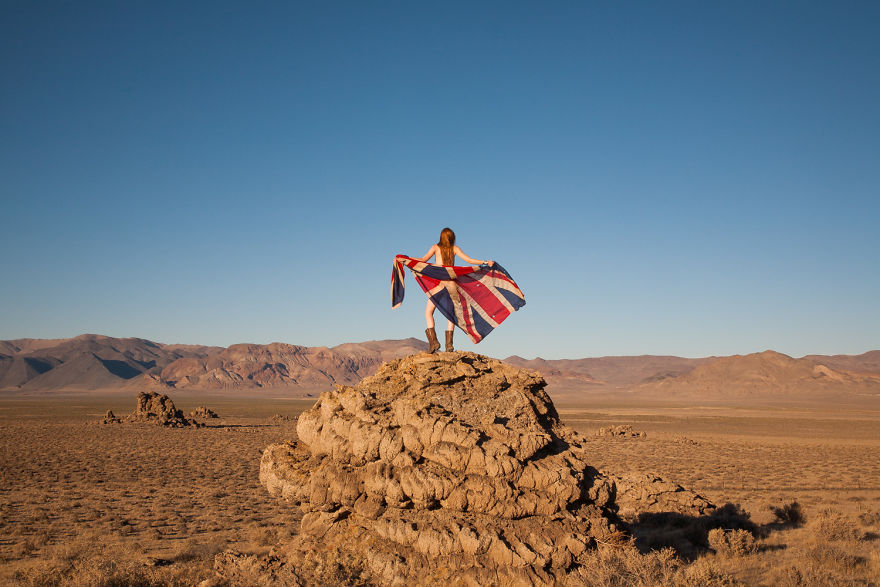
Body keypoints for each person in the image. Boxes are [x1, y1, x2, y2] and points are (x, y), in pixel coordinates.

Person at [417, 227, 494, 353]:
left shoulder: (435, 247)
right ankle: (449, 346)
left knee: (428, 312)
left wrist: (406, 259)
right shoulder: (454, 249)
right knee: (451, 314)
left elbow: (423, 260)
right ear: (452, 238)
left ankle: (434, 342)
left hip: (438, 284)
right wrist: (485, 261)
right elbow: (469, 260)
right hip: (452, 284)